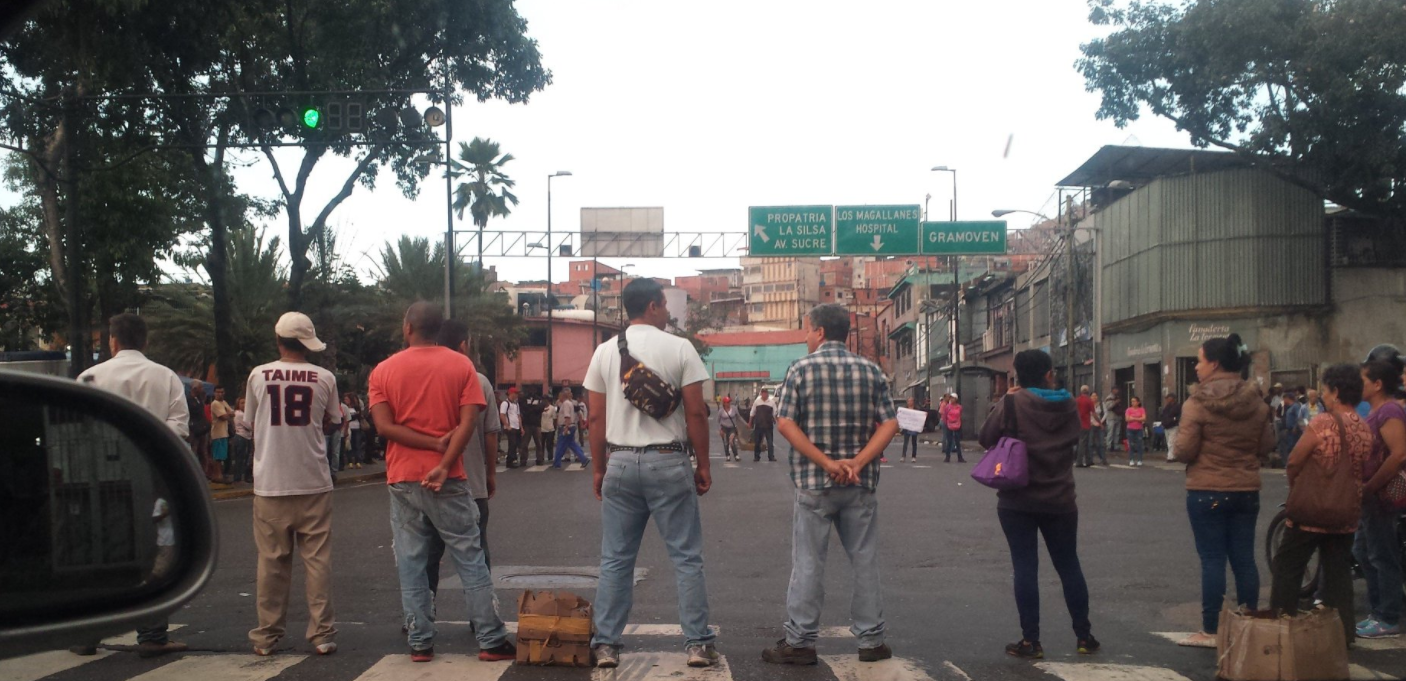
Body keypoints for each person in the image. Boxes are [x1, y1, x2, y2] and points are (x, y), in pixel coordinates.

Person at [367, 302, 515, 663]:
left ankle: (420, 641)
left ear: (407, 328)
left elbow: (384, 428)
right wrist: (444, 461)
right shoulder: (461, 366)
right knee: (470, 557)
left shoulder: (383, 371)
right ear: (438, 330)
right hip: (449, 479)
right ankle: (490, 638)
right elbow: (468, 425)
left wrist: (426, 445)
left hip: (402, 478)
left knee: (412, 561)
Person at [583, 278, 719, 669]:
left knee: (616, 559)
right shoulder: (679, 347)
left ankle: (606, 644)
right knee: (686, 557)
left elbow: (594, 417)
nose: (667, 312)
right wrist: (704, 464)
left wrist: (599, 469)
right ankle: (696, 644)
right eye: (665, 305)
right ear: (655, 306)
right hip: (668, 459)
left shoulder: (605, 352)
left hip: (621, 462)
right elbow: (695, 412)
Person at [762, 304, 898, 666]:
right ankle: (871, 641)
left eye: (807, 330)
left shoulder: (800, 369)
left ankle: (801, 641)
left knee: (808, 562)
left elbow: (786, 423)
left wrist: (825, 463)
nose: (806, 337)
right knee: (864, 560)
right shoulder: (871, 370)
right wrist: (856, 462)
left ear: (820, 332)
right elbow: (889, 424)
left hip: (814, 483)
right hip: (860, 482)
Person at [73, 313, 191, 659]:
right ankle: (153, 634)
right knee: (154, 552)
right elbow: (180, 428)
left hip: (101, 479)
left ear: (112, 341)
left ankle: (88, 634)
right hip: (151, 476)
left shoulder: (89, 377)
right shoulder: (164, 376)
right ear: (145, 341)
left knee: (101, 552)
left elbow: (78, 432)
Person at [979, 349, 1098, 660]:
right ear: (1048, 373)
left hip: (1017, 499)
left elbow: (986, 437)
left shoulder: (1012, 402)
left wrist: (1008, 400)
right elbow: (1075, 436)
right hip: (1060, 498)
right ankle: (1084, 635)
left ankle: (1031, 640)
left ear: (1017, 376)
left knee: (1025, 566)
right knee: (1068, 564)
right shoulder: (1069, 403)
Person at [244, 311, 342, 657]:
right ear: (307, 344)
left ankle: (267, 637)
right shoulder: (324, 377)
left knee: (271, 563)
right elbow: (335, 421)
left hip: (270, 482)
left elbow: (248, 425)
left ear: (278, 341)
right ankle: (322, 634)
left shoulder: (258, 376)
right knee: (317, 561)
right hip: (313, 481)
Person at [1171, 333, 1275, 648]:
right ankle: (1249, 621)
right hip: (1246, 489)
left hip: (1207, 489)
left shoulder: (1197, 403)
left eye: (1199, 361)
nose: (1196, 369)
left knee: (1212, 558)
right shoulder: (1256, 401)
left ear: (1214, 364)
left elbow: (1184, 450)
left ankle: (1211, 629)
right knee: (1244, 558)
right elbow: (1268, 444)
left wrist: (1178, 444)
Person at [1272, 363, 1370, 647]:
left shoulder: (1323, 422)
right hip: (1346, 511)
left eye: (1325, 391)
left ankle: (1281, 626)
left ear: (1336, 392)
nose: (1324, 396)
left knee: (1288, 566)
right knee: (1338, 575)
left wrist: (1297, 486)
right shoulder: (1364, 428)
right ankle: (1343, 635)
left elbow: (1294, 461)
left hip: (1313, 511)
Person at [434, 318, 501, 571]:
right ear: (463, 345)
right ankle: (483, 609)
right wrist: (490, 473)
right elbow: (491, 433)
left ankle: (423, 610)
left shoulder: (422, 377)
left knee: (427, 558)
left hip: (428, 480)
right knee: (477, 552)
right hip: (471, 483)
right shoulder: (480, 381)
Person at [1356, 348, 1406, 639]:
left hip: (1382, 498)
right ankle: (1378, 611)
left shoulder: (1389, 411)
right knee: (1363, 551)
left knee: (1382, 555)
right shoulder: (1378, 411)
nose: (1358, 384)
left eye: (1363, 379)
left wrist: (1371, 486)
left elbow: (1399, 454)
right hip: (1372, 498)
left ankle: (1387, 617)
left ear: (1377, 384)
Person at [552, 387, 590, 468]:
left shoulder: (565, 404)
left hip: (566, 426)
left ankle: (556, 463)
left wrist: (566, 428)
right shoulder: (569, 403)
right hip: (571, 426)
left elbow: (567, 416)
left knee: (560, 445)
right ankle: (583, 458)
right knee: (572, 444)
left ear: (563, 395)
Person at [209, 386, 234, 482]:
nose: (220, 394)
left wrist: (229, 414)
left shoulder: (224, 403)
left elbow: (232, 413)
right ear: (214, 393)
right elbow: (223, 416)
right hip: (218, 433)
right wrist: (229, 414)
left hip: (225, 432)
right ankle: (217, 475)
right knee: (218, 456)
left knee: (222, 455)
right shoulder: (215, 404)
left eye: (222, 392)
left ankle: (220, 475)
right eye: (218, 392)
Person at [751, 387, 777, 462]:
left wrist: (775, 419)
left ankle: (771, 457)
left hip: (768, 425)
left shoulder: (772, 402)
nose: (765, 394)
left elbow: (775, 412)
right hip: (759, 425)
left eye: (766, 393)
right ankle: (756, 456)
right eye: (763, 393)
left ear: (767, 394)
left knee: (770, 442)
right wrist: (750, 422)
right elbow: (752, 412)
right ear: (761, 394)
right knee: (757, 442)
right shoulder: (757, 402)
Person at [500, 387, 524, 467]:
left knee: (516, 444)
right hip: (510, 427)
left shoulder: (516, 404)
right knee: (512, 444)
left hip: (516, 426)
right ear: (511, 393)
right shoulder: (505, 403)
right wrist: (507, 425)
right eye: (515, 393)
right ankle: (510, 461)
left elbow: (518, 416)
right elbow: (502, 415)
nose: (517, 395)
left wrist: (521, 427)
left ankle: (514, 459)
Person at [522, 391, 547, 466]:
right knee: (525, 443)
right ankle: (523, 460)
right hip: (527, 423)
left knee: (538, 443)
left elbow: (540, 407)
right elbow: (524, 408)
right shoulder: (524, 399)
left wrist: (531, 408)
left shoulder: (539, 399)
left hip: (536, 424)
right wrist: (533, 408)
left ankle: (539, 459)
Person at [233, 397, 253, 483]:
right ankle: (238, 477)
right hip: (241, 437)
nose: (244, 405)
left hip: (247, 436)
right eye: (242, 403)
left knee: (246, 457)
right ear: (238, 404)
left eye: (245, 403)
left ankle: (243, 476)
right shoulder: (239, 414)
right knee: (241, 457)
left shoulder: (246, 414)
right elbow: (249, 426)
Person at [1075, 386, 1096, 468]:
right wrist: (1100, 423)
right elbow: (1093, 413)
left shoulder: (1077, 400)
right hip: (1086, 424)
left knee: (1085, 442)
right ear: (1088, 392)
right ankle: (1079, 461)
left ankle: (1088, 460)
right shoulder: (1089, 401)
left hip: (1078, 424)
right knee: (1083, 442)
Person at [1124, 397, 1147, 466]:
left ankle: (1140, 460)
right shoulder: (1128, 410)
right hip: (1130, 429)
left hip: (1139, 429)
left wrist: (1133, 418)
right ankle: (1131, 459)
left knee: (1139, 444)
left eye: (1134, 401)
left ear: (1138, 402)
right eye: (1132, 401)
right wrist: (1138, 419)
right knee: (1131, 445)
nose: (1133, 403)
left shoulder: (1141, 409)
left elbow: (1144, 418)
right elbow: (1127, 419)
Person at [718, 396, 741, 461]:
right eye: (727, 402)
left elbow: (739, 417)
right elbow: (718, 420)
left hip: (732, 428)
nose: (728, 403)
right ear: (724, 403)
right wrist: (720, 429)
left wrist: (746, 424)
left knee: (732, 441)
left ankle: (736, 455)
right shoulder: (721, 411)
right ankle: (727, 455)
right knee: (726, 442)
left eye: (729, 402)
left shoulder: (734, 408)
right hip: (724, 428)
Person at [343, 393, 364, 470]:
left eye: (347, 399)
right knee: (349, 445)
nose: (346, 401)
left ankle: (358, 461)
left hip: (356, 427)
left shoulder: (356, 407)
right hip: (349, 428)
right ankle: (350, 462)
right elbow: (346, 417)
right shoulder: (345, 408)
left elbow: (358, 416)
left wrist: (351, 417)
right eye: (345, 399)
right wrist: (352, 416)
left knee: (357, 444)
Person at [943, 393, 964, 463]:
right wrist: (946, 424)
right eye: (951, 398)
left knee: (957, 442)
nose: (952, 399)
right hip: (949, 425)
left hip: (957, 425)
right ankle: (947, 457)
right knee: (949, 442)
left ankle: (960, 457)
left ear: (956, 399)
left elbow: (960, 415)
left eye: (953, 398)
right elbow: (944, 416)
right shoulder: (947, 407)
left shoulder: (959, 407)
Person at [1089, 391, 1108, 466]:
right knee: (1090, 443)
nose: (1094, 397)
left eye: (1095, 396)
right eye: (1093, 396)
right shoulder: (1089, 404)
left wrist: (1101, 422)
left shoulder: (1102, 404)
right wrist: (1092, 422)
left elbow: (1106, 413)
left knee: (1101, 443)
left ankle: (1103, 459)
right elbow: (1087, 414)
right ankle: (1090, 459)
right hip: (1091, 424)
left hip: (1100, 425)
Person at [1103, 388, 1125, 453]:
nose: (1117, 391)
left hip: (1118, 417)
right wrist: (1115, 402)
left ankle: (1116, 446)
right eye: (1116, 390)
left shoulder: (1118, 397)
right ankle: (1109, 446)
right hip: (1111, 417)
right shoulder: (1109, 398)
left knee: (1117, 433)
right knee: (1110, 432)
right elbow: (1108, 407)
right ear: (1113, 390)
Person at [1161, 394, 1182, 462]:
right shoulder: (1167, 407)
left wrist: (1174, 419)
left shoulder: (1177, 406)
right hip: (1167, 426)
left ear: (1173, 399)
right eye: (1167, 398)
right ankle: (1174, 455)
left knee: (1171, 442)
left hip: (1174, 426)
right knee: (1169, 442)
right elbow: (1163, 415)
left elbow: (1179, 415)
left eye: (1169, 398)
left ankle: (1171, 457)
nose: (1167, 400)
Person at [900, 397, 921, 462]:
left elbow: (920, 417)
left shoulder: (916, 409)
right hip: (906, 427)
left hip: (914, 428)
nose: (910, 402)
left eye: (911, 401)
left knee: (914, 442)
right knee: (905, 442)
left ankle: (914, 456)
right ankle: (903, 456)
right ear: (907, 402)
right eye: (909, 401)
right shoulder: (904, 409)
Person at [540, 397, 558, 465]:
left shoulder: (552, 408)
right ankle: (541, 457)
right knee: (541, 444)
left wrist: (554, 427)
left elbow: (554, 418)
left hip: (550, 428)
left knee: (549, 444)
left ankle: (550, 457)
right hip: (542, 428)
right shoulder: (540, 408)